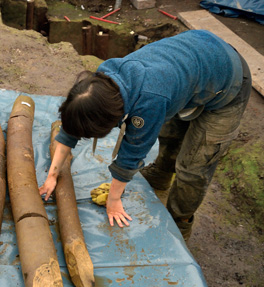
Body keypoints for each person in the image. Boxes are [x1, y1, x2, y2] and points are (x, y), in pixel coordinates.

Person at [38, 29, 252, 240]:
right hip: (191, 62)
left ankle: (180, 221)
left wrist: (113, 200)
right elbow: (72, 125)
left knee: (193, 168)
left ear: (112, 120)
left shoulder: (150, 100)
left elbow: (131, 153)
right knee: (169, 133)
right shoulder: (99, 83)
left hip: (228, 81)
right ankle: (161, 175)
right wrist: (52, 176)